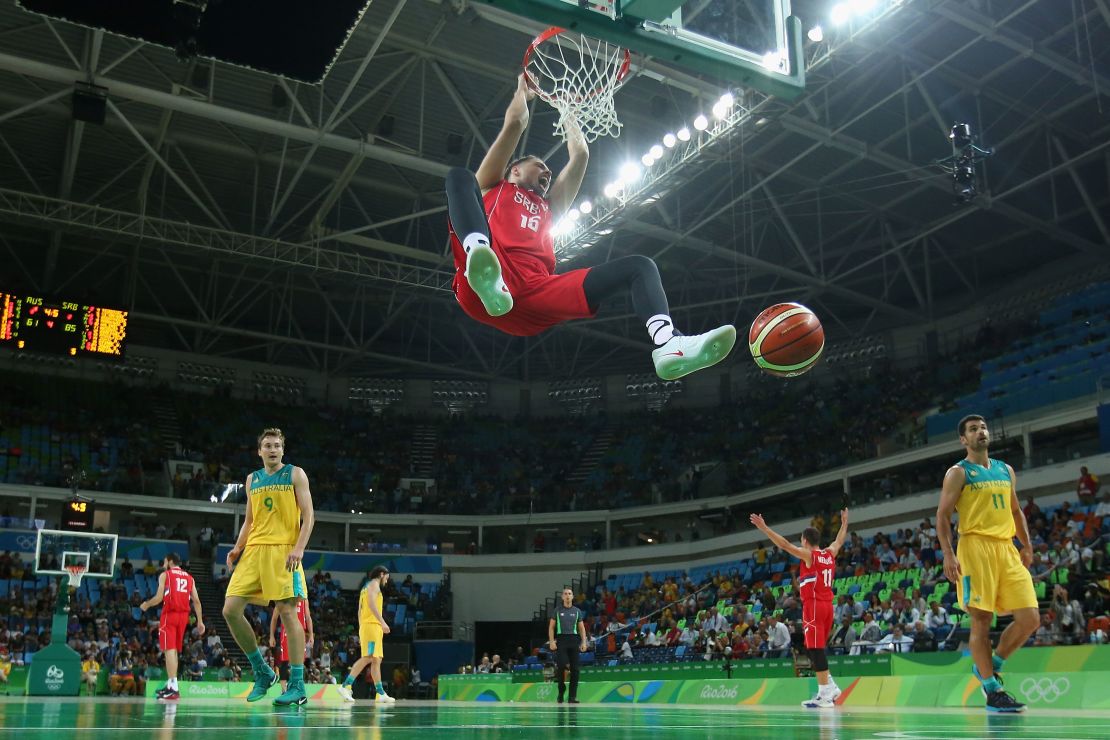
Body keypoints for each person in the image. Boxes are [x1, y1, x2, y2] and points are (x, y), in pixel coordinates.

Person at [444, 74, 736, 381]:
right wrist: (521, 94)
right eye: (539, 165)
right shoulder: (496, 186)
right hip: (484, 281)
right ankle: (481, 261)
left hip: (535, 292)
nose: (547, 170)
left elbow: (580, 155)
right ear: (514, 170)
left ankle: (669, 343)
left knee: (640, 267)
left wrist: (568, 112)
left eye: (548, 169)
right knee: (461, 178)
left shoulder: (550, 207)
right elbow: (515, 123)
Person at [937, 415, 1038, 713]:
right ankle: (992, 690)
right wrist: (948, 553)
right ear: (963, 440)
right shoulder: (958, 473)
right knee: (981, 620)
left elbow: (1016, 511)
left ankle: (989, 667)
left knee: (1031, 618)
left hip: (1006, 548)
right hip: (974, 548)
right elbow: (942, 516)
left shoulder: (1005, 470)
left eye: (982, 427)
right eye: (972, 429)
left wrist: (1027, 544)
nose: (980, 432)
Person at [222, 428, 316, 706]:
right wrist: (238, 547)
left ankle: (297, 685)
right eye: (267, 445)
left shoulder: (295, 474)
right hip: (253, 552)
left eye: (277, 445)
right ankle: (262, 671)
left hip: (283, 551)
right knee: (230, 609)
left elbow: (310, 515)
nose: (273, 449)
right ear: (259, 451)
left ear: (282, 450)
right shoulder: (252, 479)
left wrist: (299, 548)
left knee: (288, 612)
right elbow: (250, 521)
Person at [751, 508, 849, 708]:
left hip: (813, 605)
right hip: (827, 606)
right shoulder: (829, 554)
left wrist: (764, 528)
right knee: (816, 648)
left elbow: (785, 545)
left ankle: (825, 693)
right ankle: (828, 685)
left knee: (814, 648)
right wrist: (844, 523)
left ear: (805, 540)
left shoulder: (809, 555)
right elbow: (839, 540)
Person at [140, 552, 205, 701]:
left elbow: (158, 598)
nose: (163, 564)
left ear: (170, 561)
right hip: (184, 617)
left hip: (170, 614)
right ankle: (172, 685)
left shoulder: (166, 575)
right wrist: (200, 621)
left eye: (164, 561)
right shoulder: (189, 578)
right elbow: (197, 601)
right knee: (174, 650)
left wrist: (146, 604)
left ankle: (173, 687)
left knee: (169, 649)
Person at [335, 566, 395, 703]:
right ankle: (345, 686)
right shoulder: (374, 585)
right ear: (381, 574)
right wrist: (383, 622)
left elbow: (359, 611)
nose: (387, 579)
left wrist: (363, 627)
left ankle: (380, 693)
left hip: (369, 626)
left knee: (376, 660)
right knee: (368, 657)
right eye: (387, 576)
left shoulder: (365, 587)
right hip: (372, 626)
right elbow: (371, 604)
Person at [548, 587, 589, 704]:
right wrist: (551, 641)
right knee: (561, 666)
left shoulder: (577, 611)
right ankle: (561, 691)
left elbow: (581, 628)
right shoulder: (557, 610)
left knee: (575, 670)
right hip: (561, 640)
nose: (567, 595)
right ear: (562, 597)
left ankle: (572, 697)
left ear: (572, 597)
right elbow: (551, 627)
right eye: (565, 594)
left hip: (574, 640)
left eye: (569, 594)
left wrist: (584, 642)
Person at [269, 596, 313, 691]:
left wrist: (311, 635)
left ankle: (297, 688)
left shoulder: (304, 599)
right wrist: (272, 636)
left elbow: (308, 617)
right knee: (284, 662)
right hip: (286, 634)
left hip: (300, 634)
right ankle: (284, 690)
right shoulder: (283, 598)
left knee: (300, 662)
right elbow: (274, 618)